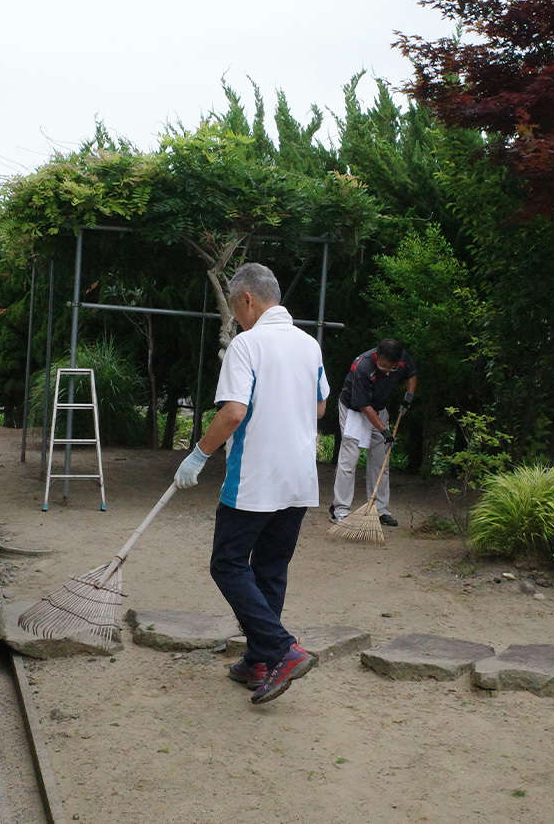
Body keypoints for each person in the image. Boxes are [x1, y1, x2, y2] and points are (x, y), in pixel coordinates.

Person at [173, 263, 328, 705]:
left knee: (227, 563)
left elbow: (234, 412)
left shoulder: (247, 345)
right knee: (270, 569)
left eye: (238, 311)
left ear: (247, 300)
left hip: (256, 478)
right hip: (299, 477)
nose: (238, 320)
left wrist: (199, 454)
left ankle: (282, 649)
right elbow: (319, 408)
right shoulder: (308, 344)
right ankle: (260, 660)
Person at [330, 339, 418, 528]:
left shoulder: (400, 358)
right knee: (350, 458)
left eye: (391, 367)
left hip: (378, 408)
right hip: (355, 410)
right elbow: (364, 405)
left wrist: (408, 396)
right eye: (384, 366)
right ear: (378, 355)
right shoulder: (362, 367)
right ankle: (340, 510)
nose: (387, 370)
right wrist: (384, 431)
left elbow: (412, 373)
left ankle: (380, 509)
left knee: (381, 459)